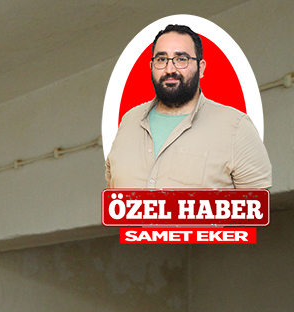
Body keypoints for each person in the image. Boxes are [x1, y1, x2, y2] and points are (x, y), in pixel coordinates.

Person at [105, 24, 270, 189]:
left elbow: (257, 209)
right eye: (161, 59)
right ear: (151, 67)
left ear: (201, 68)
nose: (170, 69)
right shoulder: (128, 121)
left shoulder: (236, 126)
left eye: (181, 59)